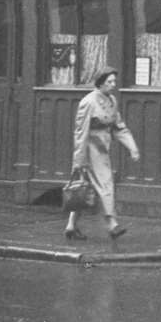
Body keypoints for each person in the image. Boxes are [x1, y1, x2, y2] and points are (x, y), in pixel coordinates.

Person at [64, 66, 140, 241]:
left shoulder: (112, 100)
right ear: (100, 82)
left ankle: (70, 225)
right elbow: (80, 132)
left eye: (114, 81)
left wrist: (132, 147)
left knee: (84, 189)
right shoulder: (88, 102)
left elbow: (119, 127)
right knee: (105, 183)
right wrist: (79, 159)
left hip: (102, 148)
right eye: (109, 81)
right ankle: (112, 224)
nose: (113, 85)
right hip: (90, 151)